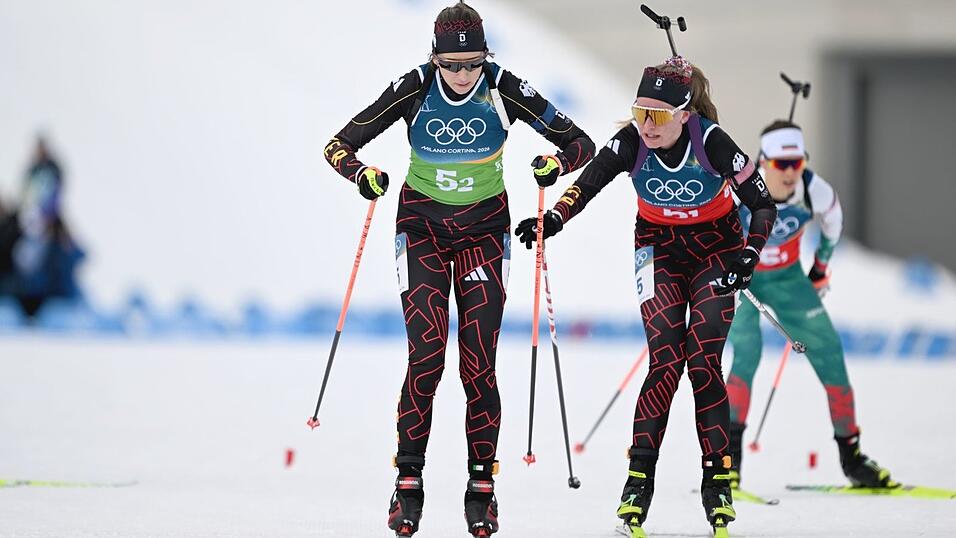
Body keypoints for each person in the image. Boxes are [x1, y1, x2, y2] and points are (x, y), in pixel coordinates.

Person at [322, 3, 594, 536]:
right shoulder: (414, 87)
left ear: (485, 58)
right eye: (452, 65)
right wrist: (361, 174)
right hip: (421, 228)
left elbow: (579, 142)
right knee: (426, 358)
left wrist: (556, 165)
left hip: (484, 233)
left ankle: (482, 488)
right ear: (435, 58)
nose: (464, 75)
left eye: (473, 64)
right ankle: (407, 484)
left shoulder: (503, 86)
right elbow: (337, 145)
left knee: (478, 364)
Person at [516, 55, 776, 537]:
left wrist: (749, 256)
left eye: (657, 115)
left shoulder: (711, 141)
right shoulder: (632, 141)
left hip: (717, 249)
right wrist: (552, 219)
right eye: (640, 112)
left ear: (684, 113)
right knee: (665, 361)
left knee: (702, 361)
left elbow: (762, 203)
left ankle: (717, 481)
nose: (647, 124)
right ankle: (638, 482)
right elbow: (588, 183)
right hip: (658, 248)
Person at [725, 120, 894, 489]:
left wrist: (820, 268)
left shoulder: (814, 190)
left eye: (797, 162)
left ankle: (853, 459)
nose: (790, 173)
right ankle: (728, 462)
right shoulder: (739, 187)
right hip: (746, 280)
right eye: (781, 164)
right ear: (763, 161)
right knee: (747, 354)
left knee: (830, 351)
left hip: (788, 280)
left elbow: (834, 221)